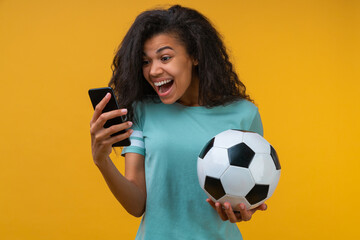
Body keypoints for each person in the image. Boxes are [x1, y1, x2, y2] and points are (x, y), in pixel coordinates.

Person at [90, 5, 267, 240]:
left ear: (194, 55)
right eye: (145, 61)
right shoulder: (142, 111)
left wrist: (243, 208)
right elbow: (136, 205)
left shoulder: (244, 114)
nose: (153, 70)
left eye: (165, 57)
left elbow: (250, 190)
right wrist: (101, 160)